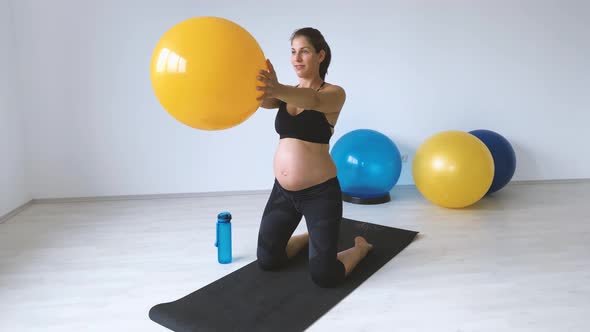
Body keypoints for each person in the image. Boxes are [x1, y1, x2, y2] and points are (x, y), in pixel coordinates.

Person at [254, 27, 373, 288]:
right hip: (283, 192)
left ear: (320, 55)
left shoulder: (333, 94)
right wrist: (255, 84)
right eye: (293, 52)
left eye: (304, 51)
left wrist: (276, 87)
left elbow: (311, 101)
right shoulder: (285, 94)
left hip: (320, 194)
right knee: (267, 259)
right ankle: (311, 236)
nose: (296, 58)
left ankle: (361, 249)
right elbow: (261, 99)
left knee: (324, 275)